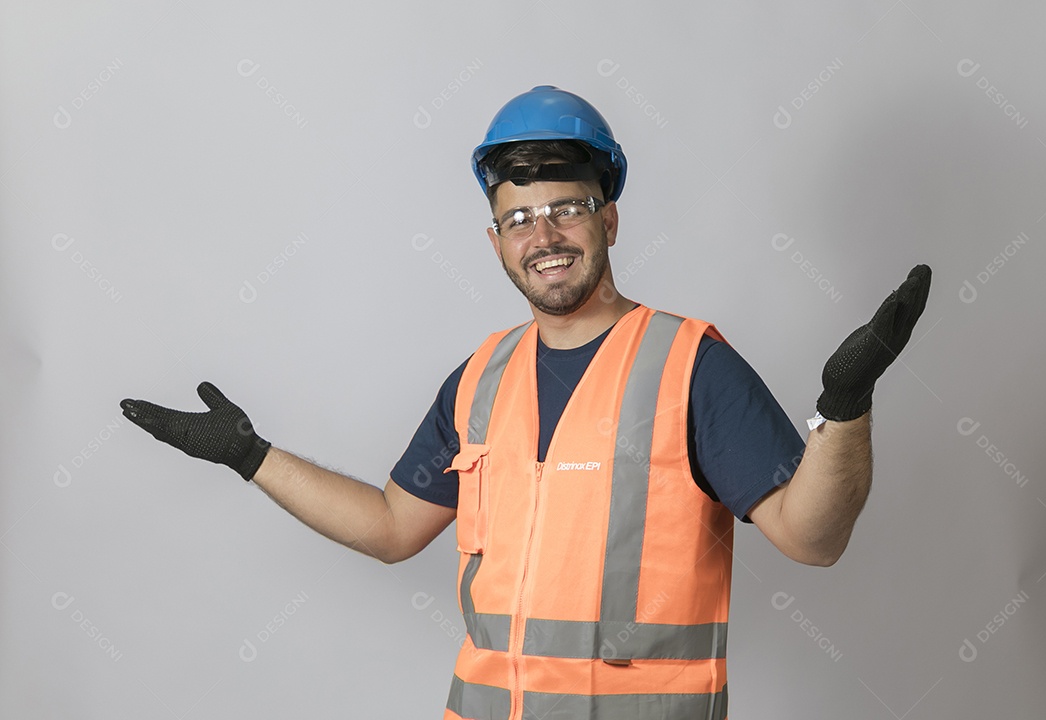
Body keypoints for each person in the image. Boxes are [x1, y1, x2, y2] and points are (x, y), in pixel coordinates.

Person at [121, 85, 932, 720]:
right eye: (518, 219)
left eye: (566, 208)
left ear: (608, 218)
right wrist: (249, 456)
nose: (543, 236)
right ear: (495, 241)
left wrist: (844, 408)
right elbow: (392, 527)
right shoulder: (480, 378)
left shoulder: (690, 367)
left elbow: (812, 540)